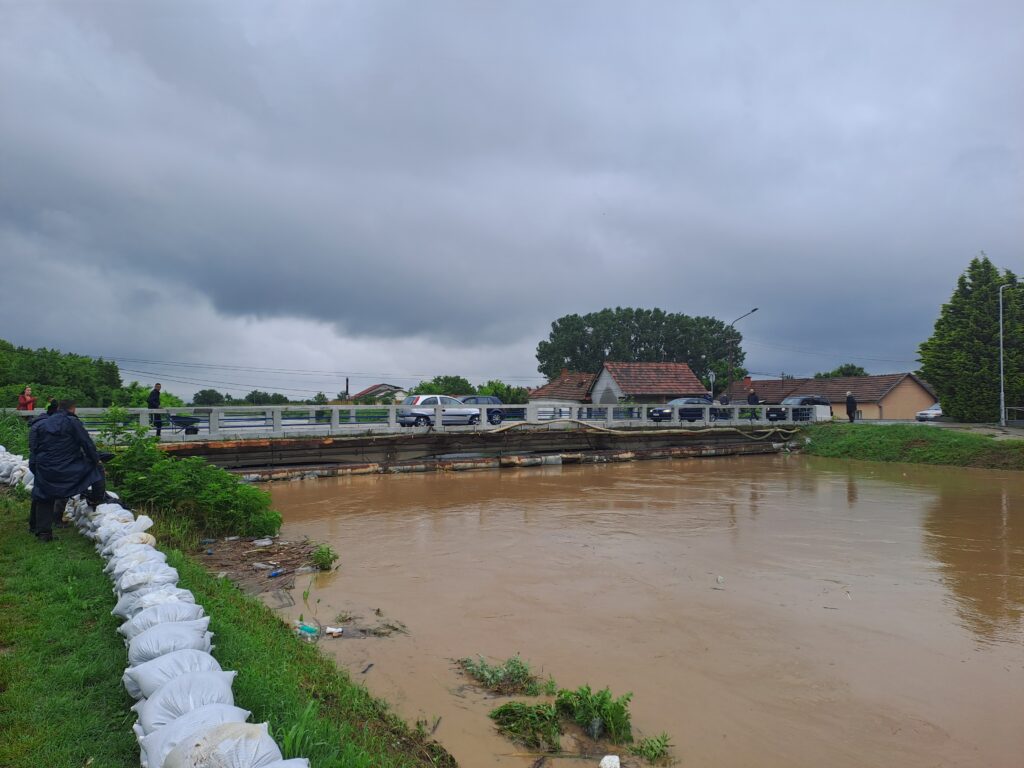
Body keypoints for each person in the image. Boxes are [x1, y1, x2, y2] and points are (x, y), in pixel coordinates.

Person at [30, 400, 106, 542]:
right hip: (67, 467)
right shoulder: (72, 422)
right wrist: (96, 460)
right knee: (97, 470)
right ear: (73, 409)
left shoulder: (41, 423)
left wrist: (36, 466)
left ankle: (44, 534)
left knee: (43, 496)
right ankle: (96, 499)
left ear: (58, 408)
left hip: (45, 466)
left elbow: (34, 447)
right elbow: (87, 444)